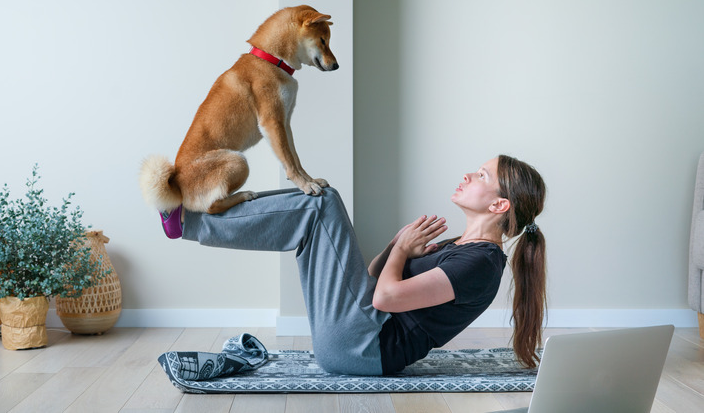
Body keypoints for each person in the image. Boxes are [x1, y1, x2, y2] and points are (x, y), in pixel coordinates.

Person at [161, 154, 547, 375]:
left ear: (499, 206)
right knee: (316, 207)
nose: (467, 174)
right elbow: (372, 280)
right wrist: (396, 246)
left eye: (482, 175)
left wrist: (401, 252)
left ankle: (191, 220)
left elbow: (386, 299)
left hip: (364, 348)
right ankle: (195, 216)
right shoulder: (462, 247)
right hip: (358, 337)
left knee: (323, 201)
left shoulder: (481, 263)